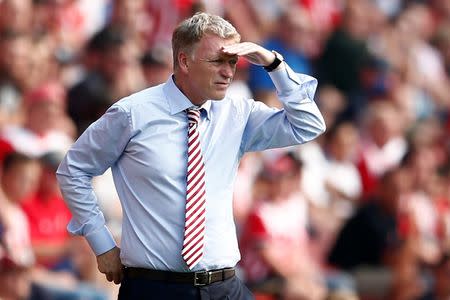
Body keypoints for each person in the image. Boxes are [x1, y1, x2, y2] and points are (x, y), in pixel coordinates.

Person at [56, 12, 326, 299]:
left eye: (232, 62)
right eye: (217, 61)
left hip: (224, 286)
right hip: (154, 288)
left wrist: (274, 65)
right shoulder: (132, 114)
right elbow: (73, 170)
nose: (228, 72)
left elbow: (308, 125)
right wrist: (102, 243)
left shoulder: (238, 114)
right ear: (184, 61)